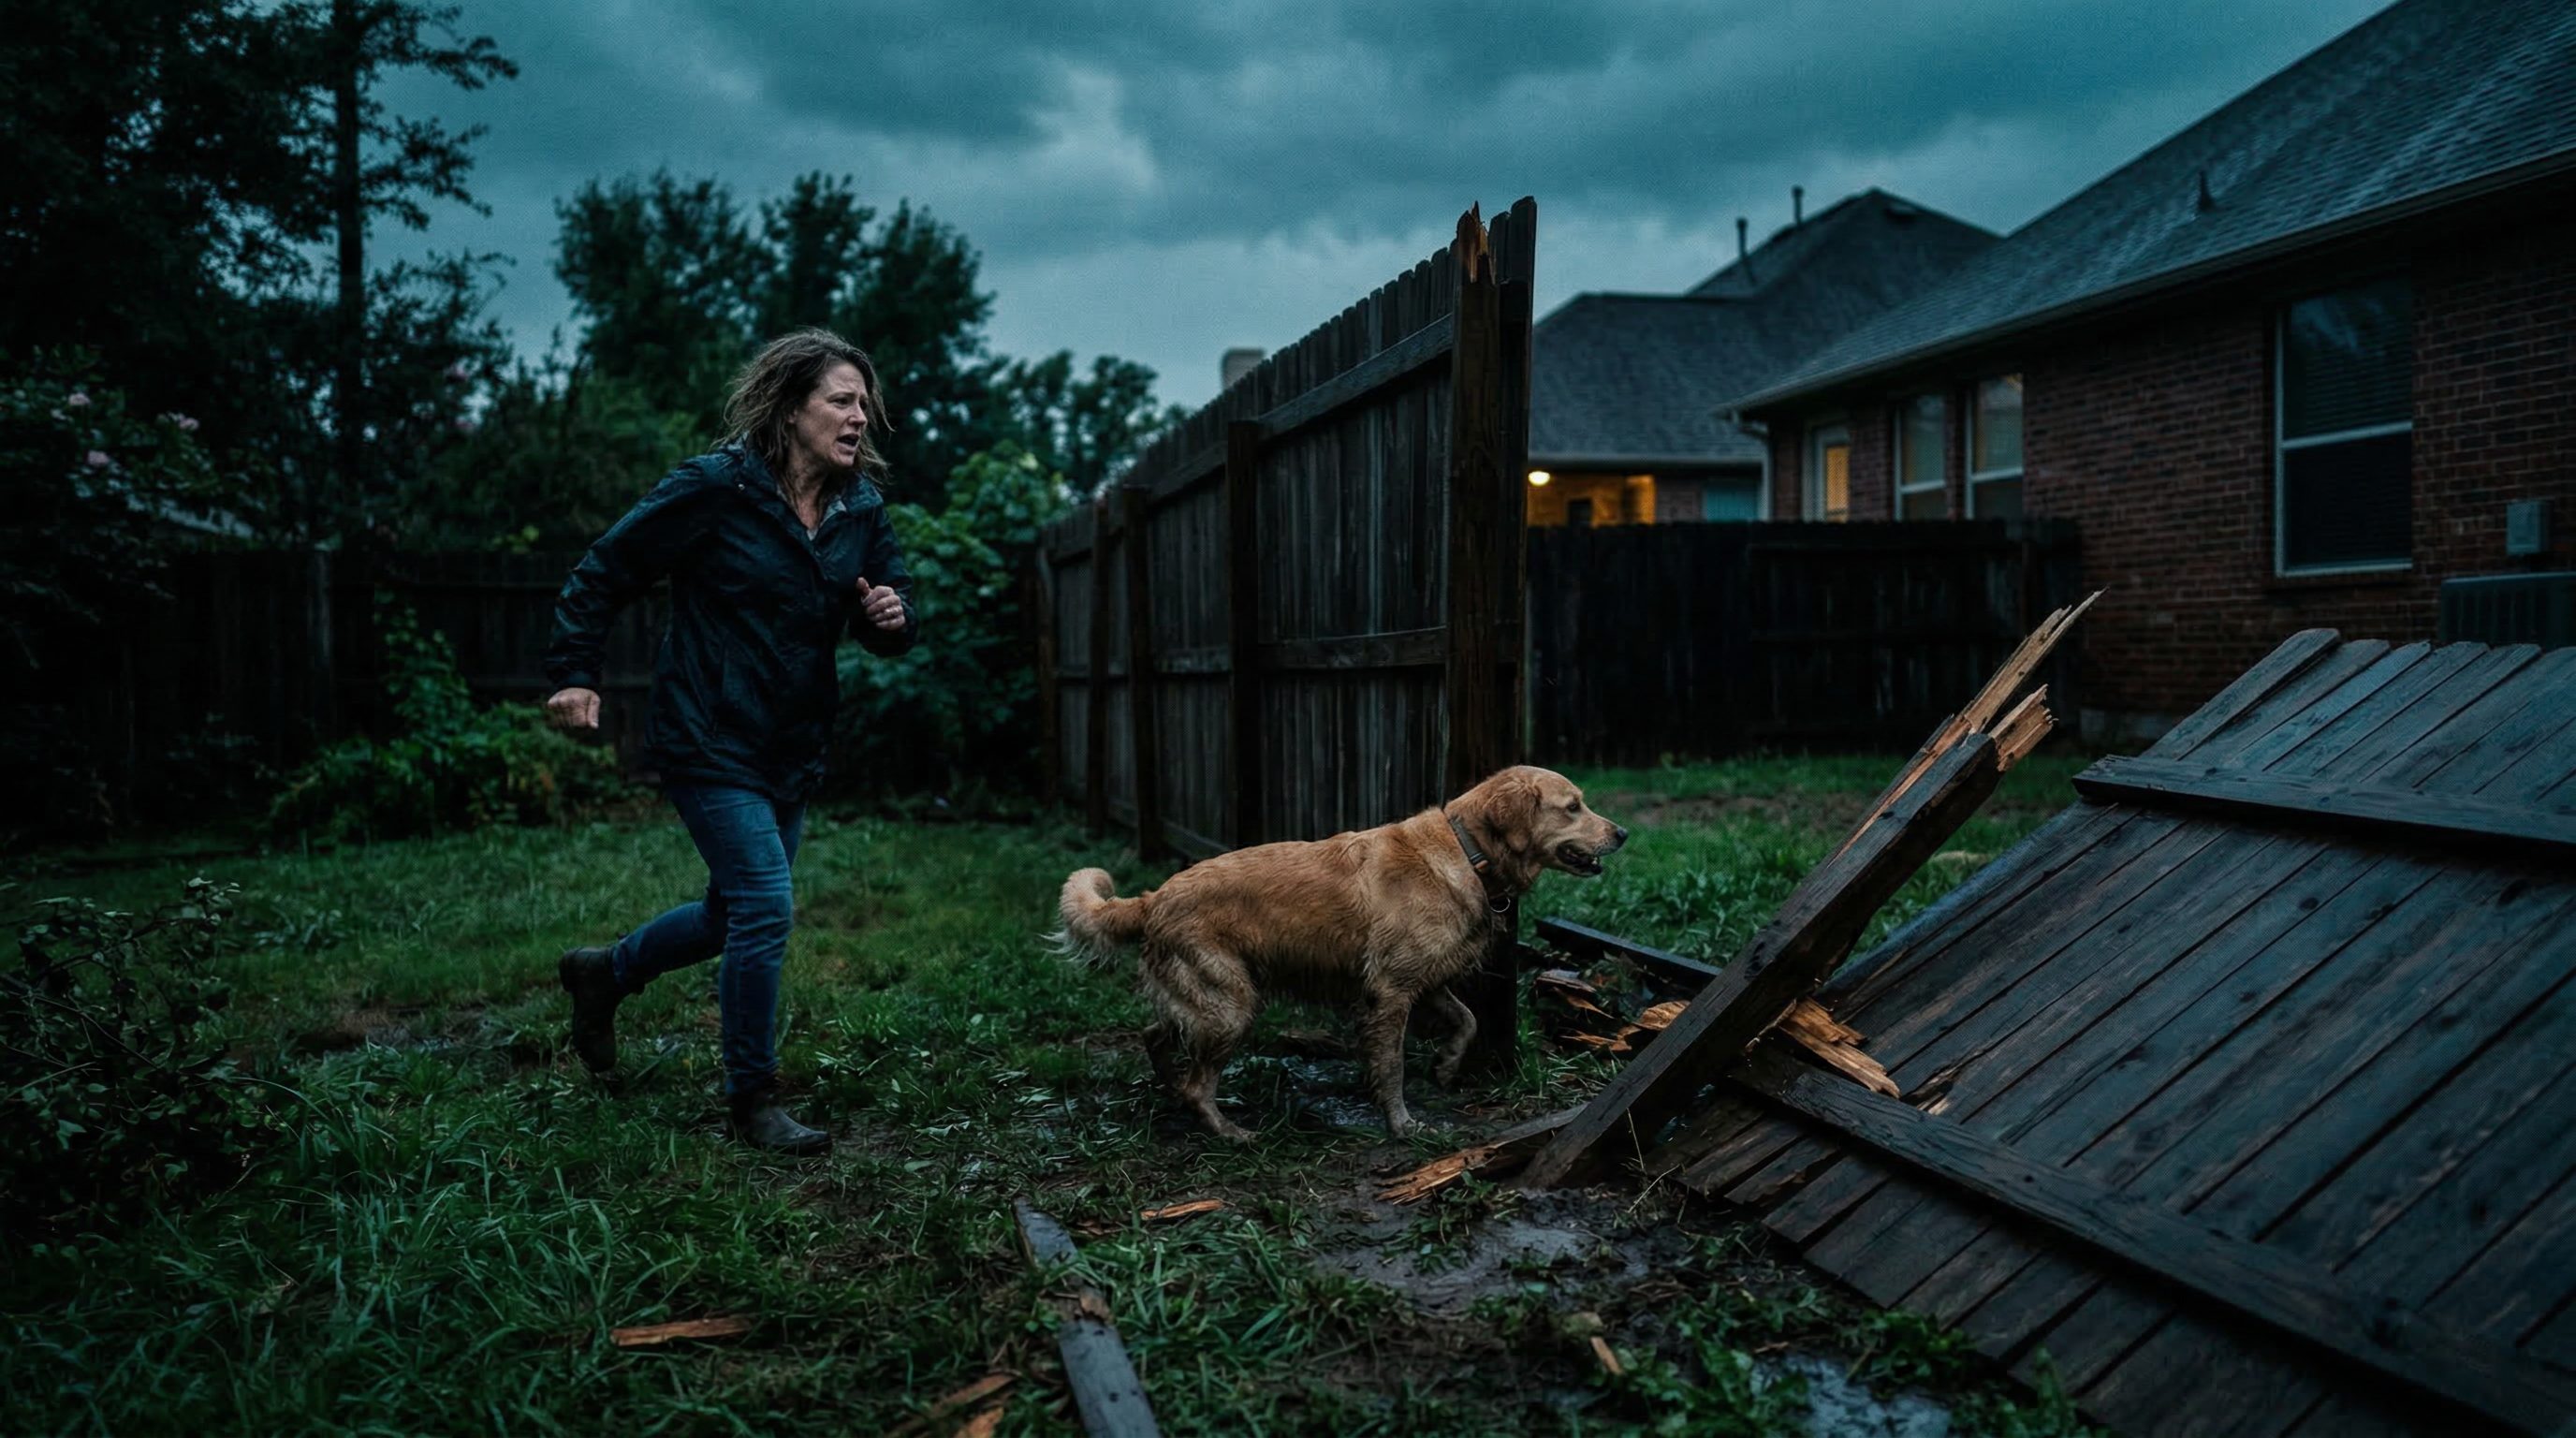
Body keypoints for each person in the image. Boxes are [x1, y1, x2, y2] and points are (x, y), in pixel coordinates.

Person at [541, 329, 917, 1154]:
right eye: (841, 401)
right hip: (707, 735)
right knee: (764, 906)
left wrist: (891, 615)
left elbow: (890, 607)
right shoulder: (716, 488)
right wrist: (574, 673)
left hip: (792, 743)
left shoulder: (859, 509)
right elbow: (604, 570)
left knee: (727, 915)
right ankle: (753, 1099)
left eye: (864, 404)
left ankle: (604, 973)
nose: (860, 417)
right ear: (790, 408)